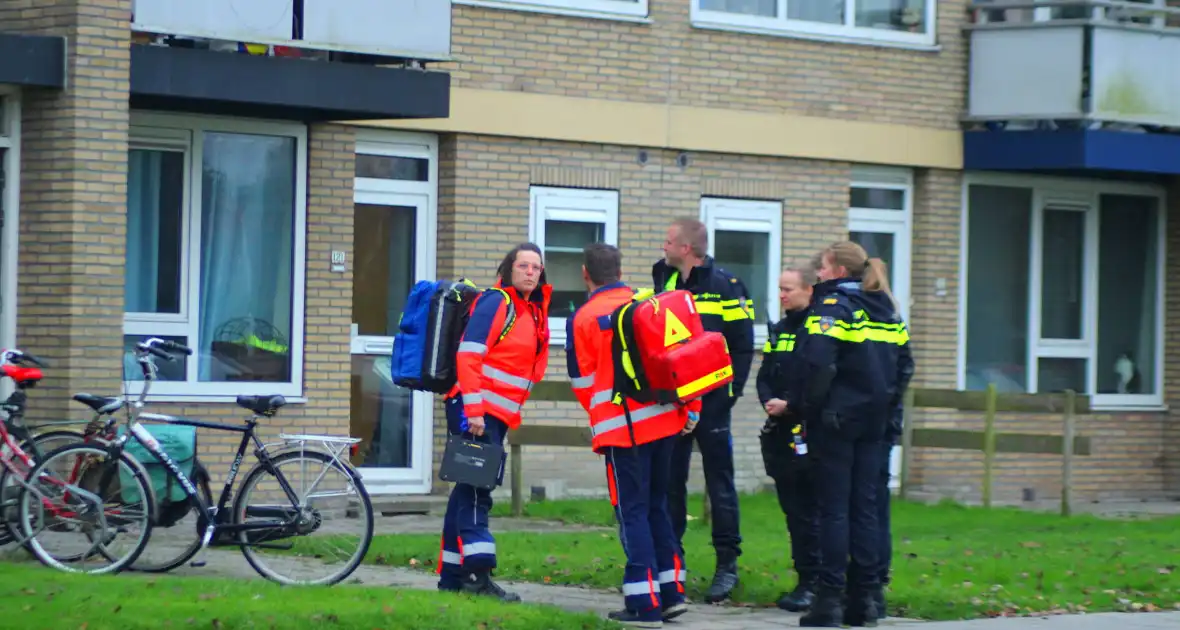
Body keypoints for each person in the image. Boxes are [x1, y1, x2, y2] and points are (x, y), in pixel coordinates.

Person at [567, 243, 700, 628]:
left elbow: (582, 381)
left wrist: (602, 412)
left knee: (632, 511)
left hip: (622, 429)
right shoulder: (649, 302)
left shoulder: (584, 318)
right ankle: (672, 592)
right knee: (658, 504)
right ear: (620, 270)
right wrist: (689, 408)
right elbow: (681, 357)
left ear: (585, 273)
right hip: (665, 420)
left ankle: (643, 603)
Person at [796, 241, 914, 628]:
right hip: (875, 423)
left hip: (837, 422)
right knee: (865, 511)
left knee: (833, 511)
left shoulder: (833, 309)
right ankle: (864, 601)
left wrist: (809, 410)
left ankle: (829, 602)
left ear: (840, 272)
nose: (819, 275)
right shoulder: (889, 312)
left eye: (825, 268)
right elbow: (904, 369)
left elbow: (817, 363)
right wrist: (886, 409)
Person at [437, 243, 552, 602]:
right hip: (477, 412)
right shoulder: (497, 302)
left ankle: (453, 577)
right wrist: (473, 411)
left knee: (466, 489)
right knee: (477, 490)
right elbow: (469, 354)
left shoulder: (530, 310)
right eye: (523, 265)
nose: (530, 272)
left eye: (536, 267)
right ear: (509, 269)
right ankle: (477, 575)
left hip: (492, 415)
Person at [652, 218, 755, 603]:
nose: (663, 247)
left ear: (686, 248)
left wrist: (729, 395)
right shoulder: (668, 281)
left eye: (668, 241)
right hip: (675, 403)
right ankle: (671, 564)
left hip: (712, 404)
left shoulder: (726, 286)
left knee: (720, 485)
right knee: (670, 483)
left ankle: (727, 566)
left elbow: (743, 346)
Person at [756, 267, 822, 613]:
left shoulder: (818, 330)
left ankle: (815, 583)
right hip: (781, 431)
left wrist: (791, 406)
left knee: (810, 511)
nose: (782, 295)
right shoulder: (780, 330)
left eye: (788, 289)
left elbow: (816, 380)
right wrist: (768, 400)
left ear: (809, 290)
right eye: (779, 289)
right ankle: (804, 578)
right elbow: (766, 374)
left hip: (808, 431)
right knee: (793, 511)